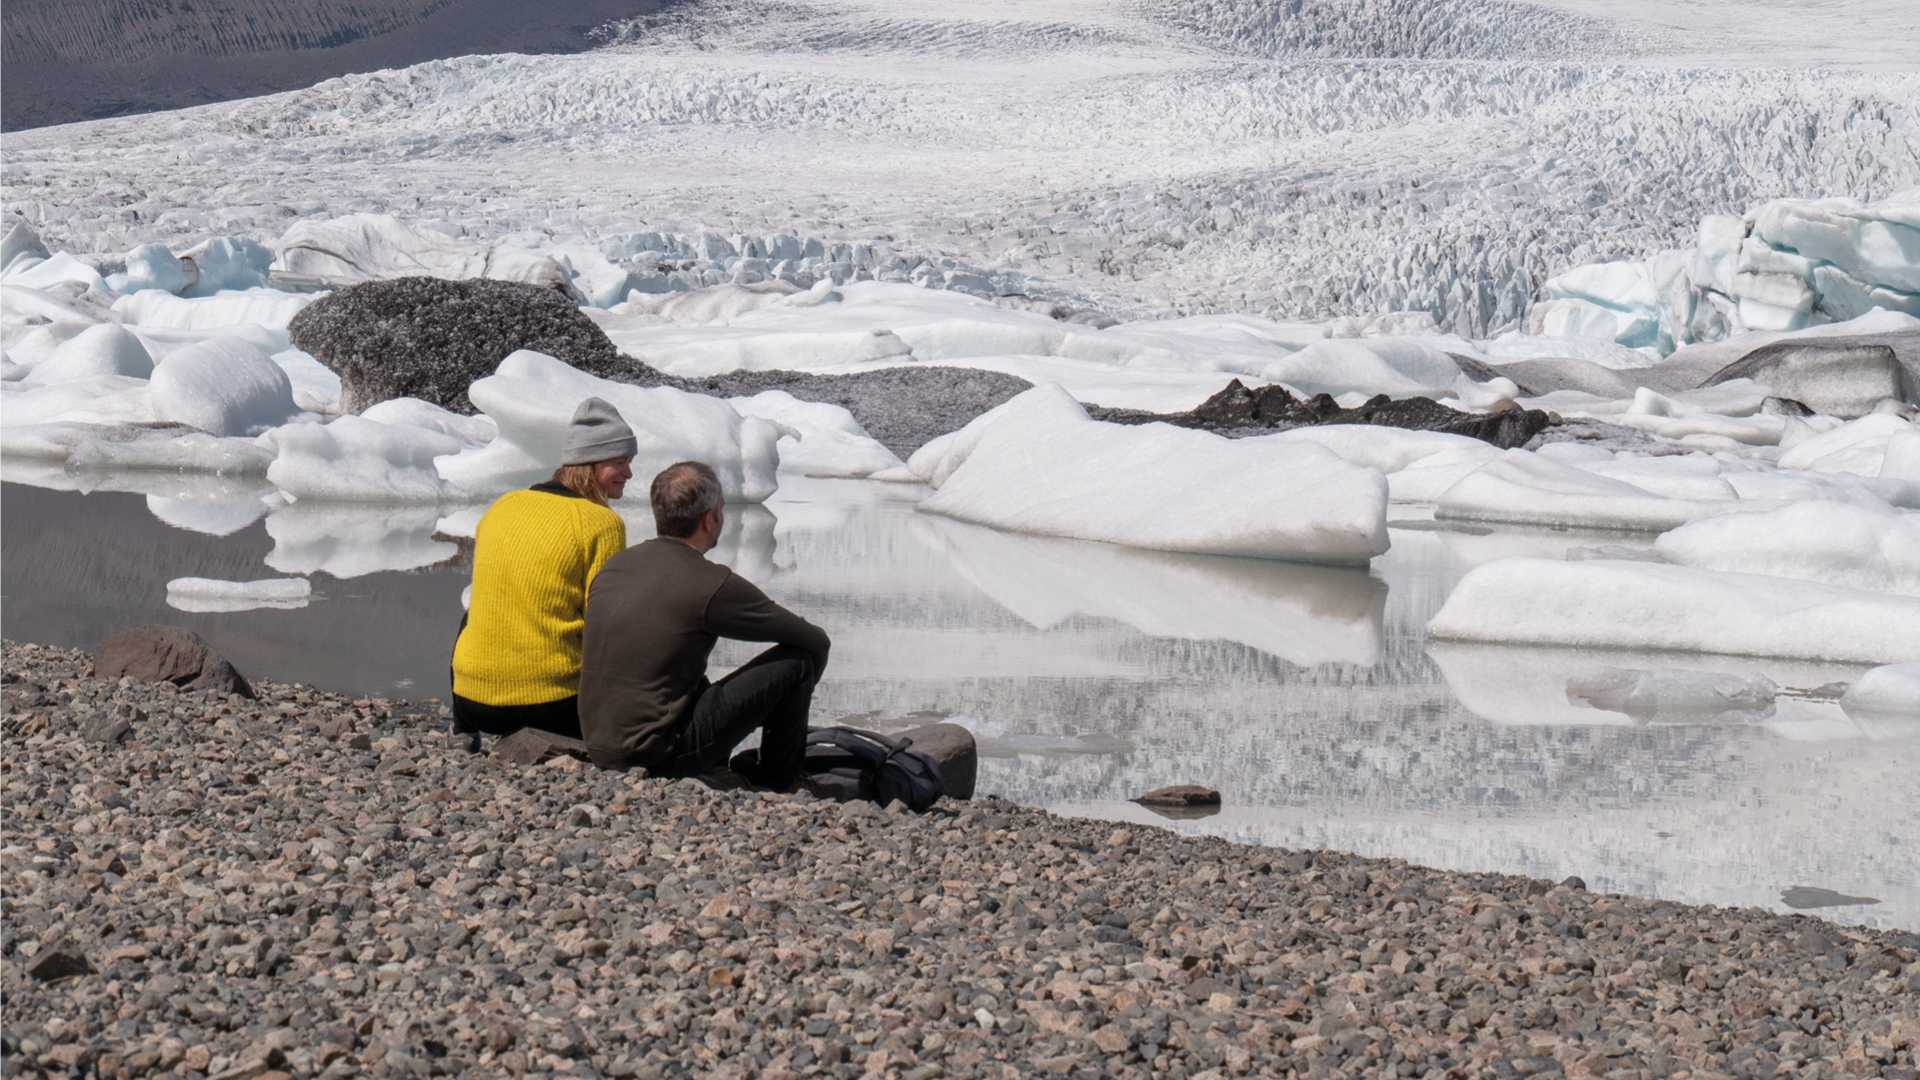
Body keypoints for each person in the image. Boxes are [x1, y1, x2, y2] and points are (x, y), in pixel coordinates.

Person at [579, 461, 830, 787]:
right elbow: (814, 641)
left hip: (600, 746)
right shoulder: (710, 583)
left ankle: (722, 767)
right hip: (656, 757)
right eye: (721, 510)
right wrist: (786, 708)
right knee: (796, 664)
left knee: (687, 671)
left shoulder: (617, 565)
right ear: (708, 519)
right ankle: (780, 781)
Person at [450, 397, 635, 741]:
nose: (628, 473)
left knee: (474, 614)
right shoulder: (602, 523)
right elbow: (605, 625)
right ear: (589, 463)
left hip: (473, 703)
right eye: (619, 462)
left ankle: (462, 731)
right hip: (553, 710)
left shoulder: (503, 505)